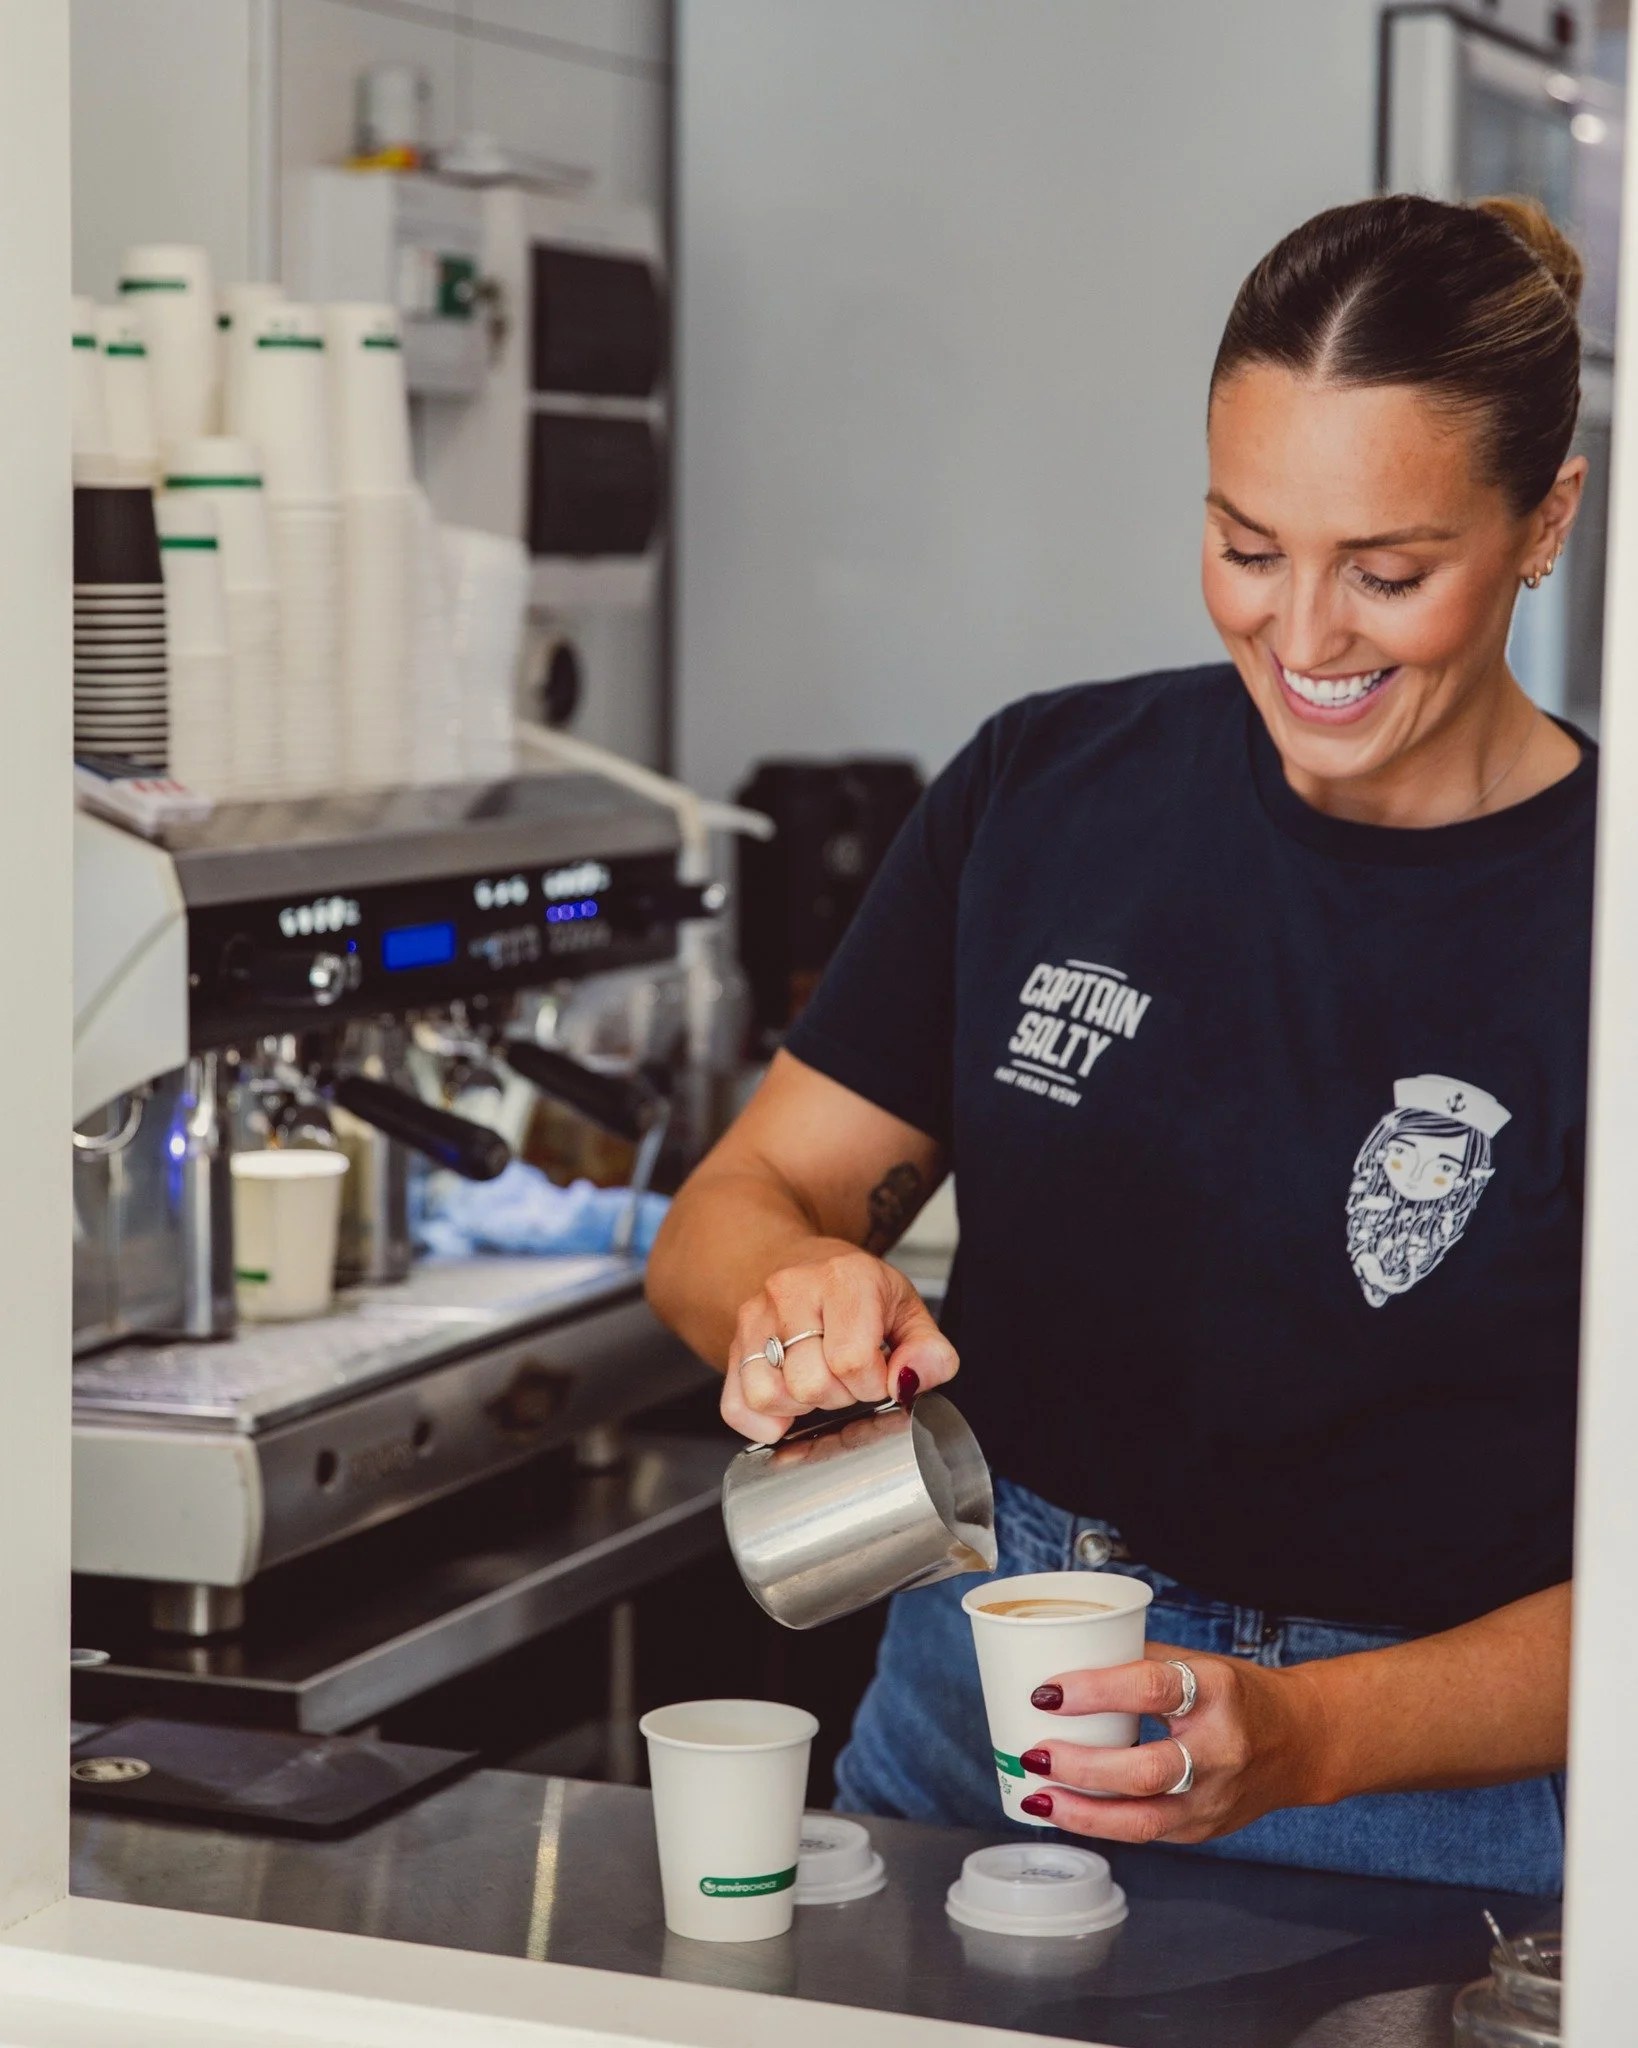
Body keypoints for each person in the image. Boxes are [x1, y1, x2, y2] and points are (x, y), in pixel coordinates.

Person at [647, 193, 1593, 1894]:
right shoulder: (1043, 793)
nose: (1300, 642)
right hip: (973, 1706)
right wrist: (788, 1297)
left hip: (1419, 1795)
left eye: (1387, 574)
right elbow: (746, 1196)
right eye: (1246, 547)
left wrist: (1312, 1737)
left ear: (1543, 525)